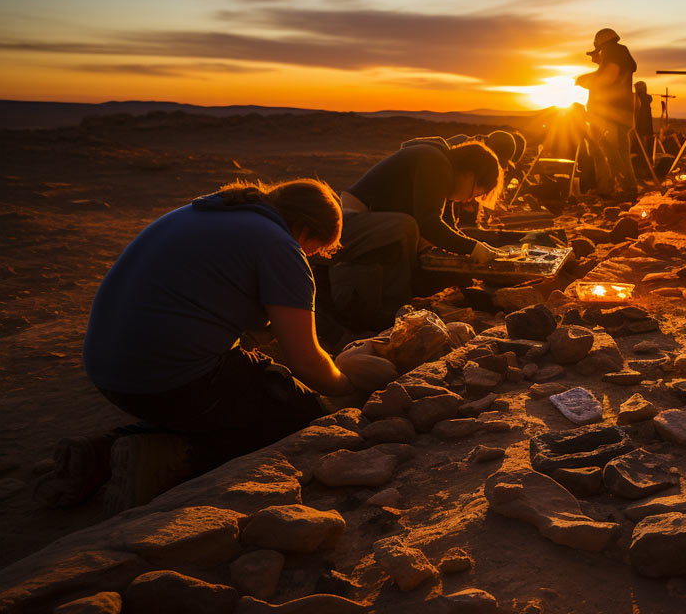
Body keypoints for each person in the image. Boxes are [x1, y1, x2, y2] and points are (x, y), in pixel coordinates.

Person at [39, 179, 357, 512]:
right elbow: (305, 362)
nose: (311, 257)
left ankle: (104, 451)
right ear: (305, 230)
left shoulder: (209, 211)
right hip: (166, 382)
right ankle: (164, 460)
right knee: (300, 416)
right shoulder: (279, 245)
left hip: (111, 372)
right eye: (316, 249)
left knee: (244, 391)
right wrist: (346, 384)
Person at [327, 140, 503, 331]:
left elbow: (448, 226)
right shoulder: (435, 161)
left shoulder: (442, 169)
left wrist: (478, 250)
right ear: (470, 174)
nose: (469, 199)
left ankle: (396, 308)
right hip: (351, 226)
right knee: (407, 227)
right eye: (474, 193)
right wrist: (472, 248)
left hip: (371, 227)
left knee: (413, 235)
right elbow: (428, 224)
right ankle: (391, 313)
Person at [575, 27, 638, 198]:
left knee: (614, 155)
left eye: (600, 50)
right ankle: (614, 189)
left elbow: (605, 80)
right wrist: (599, 64)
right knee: (617, 154)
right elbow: (609, 73)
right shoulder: (619, 56)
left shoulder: (615, 54)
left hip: (611, 116)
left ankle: (627, 191)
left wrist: (584, 80)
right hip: (619, 116)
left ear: (603, 44)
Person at [634, 81, 656, 159]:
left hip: (642, 122)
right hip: (643, 123)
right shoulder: (646, 98)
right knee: (644, 140)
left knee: (643, 141)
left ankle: (644, 156)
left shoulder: (641, 98)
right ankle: (644, 155)